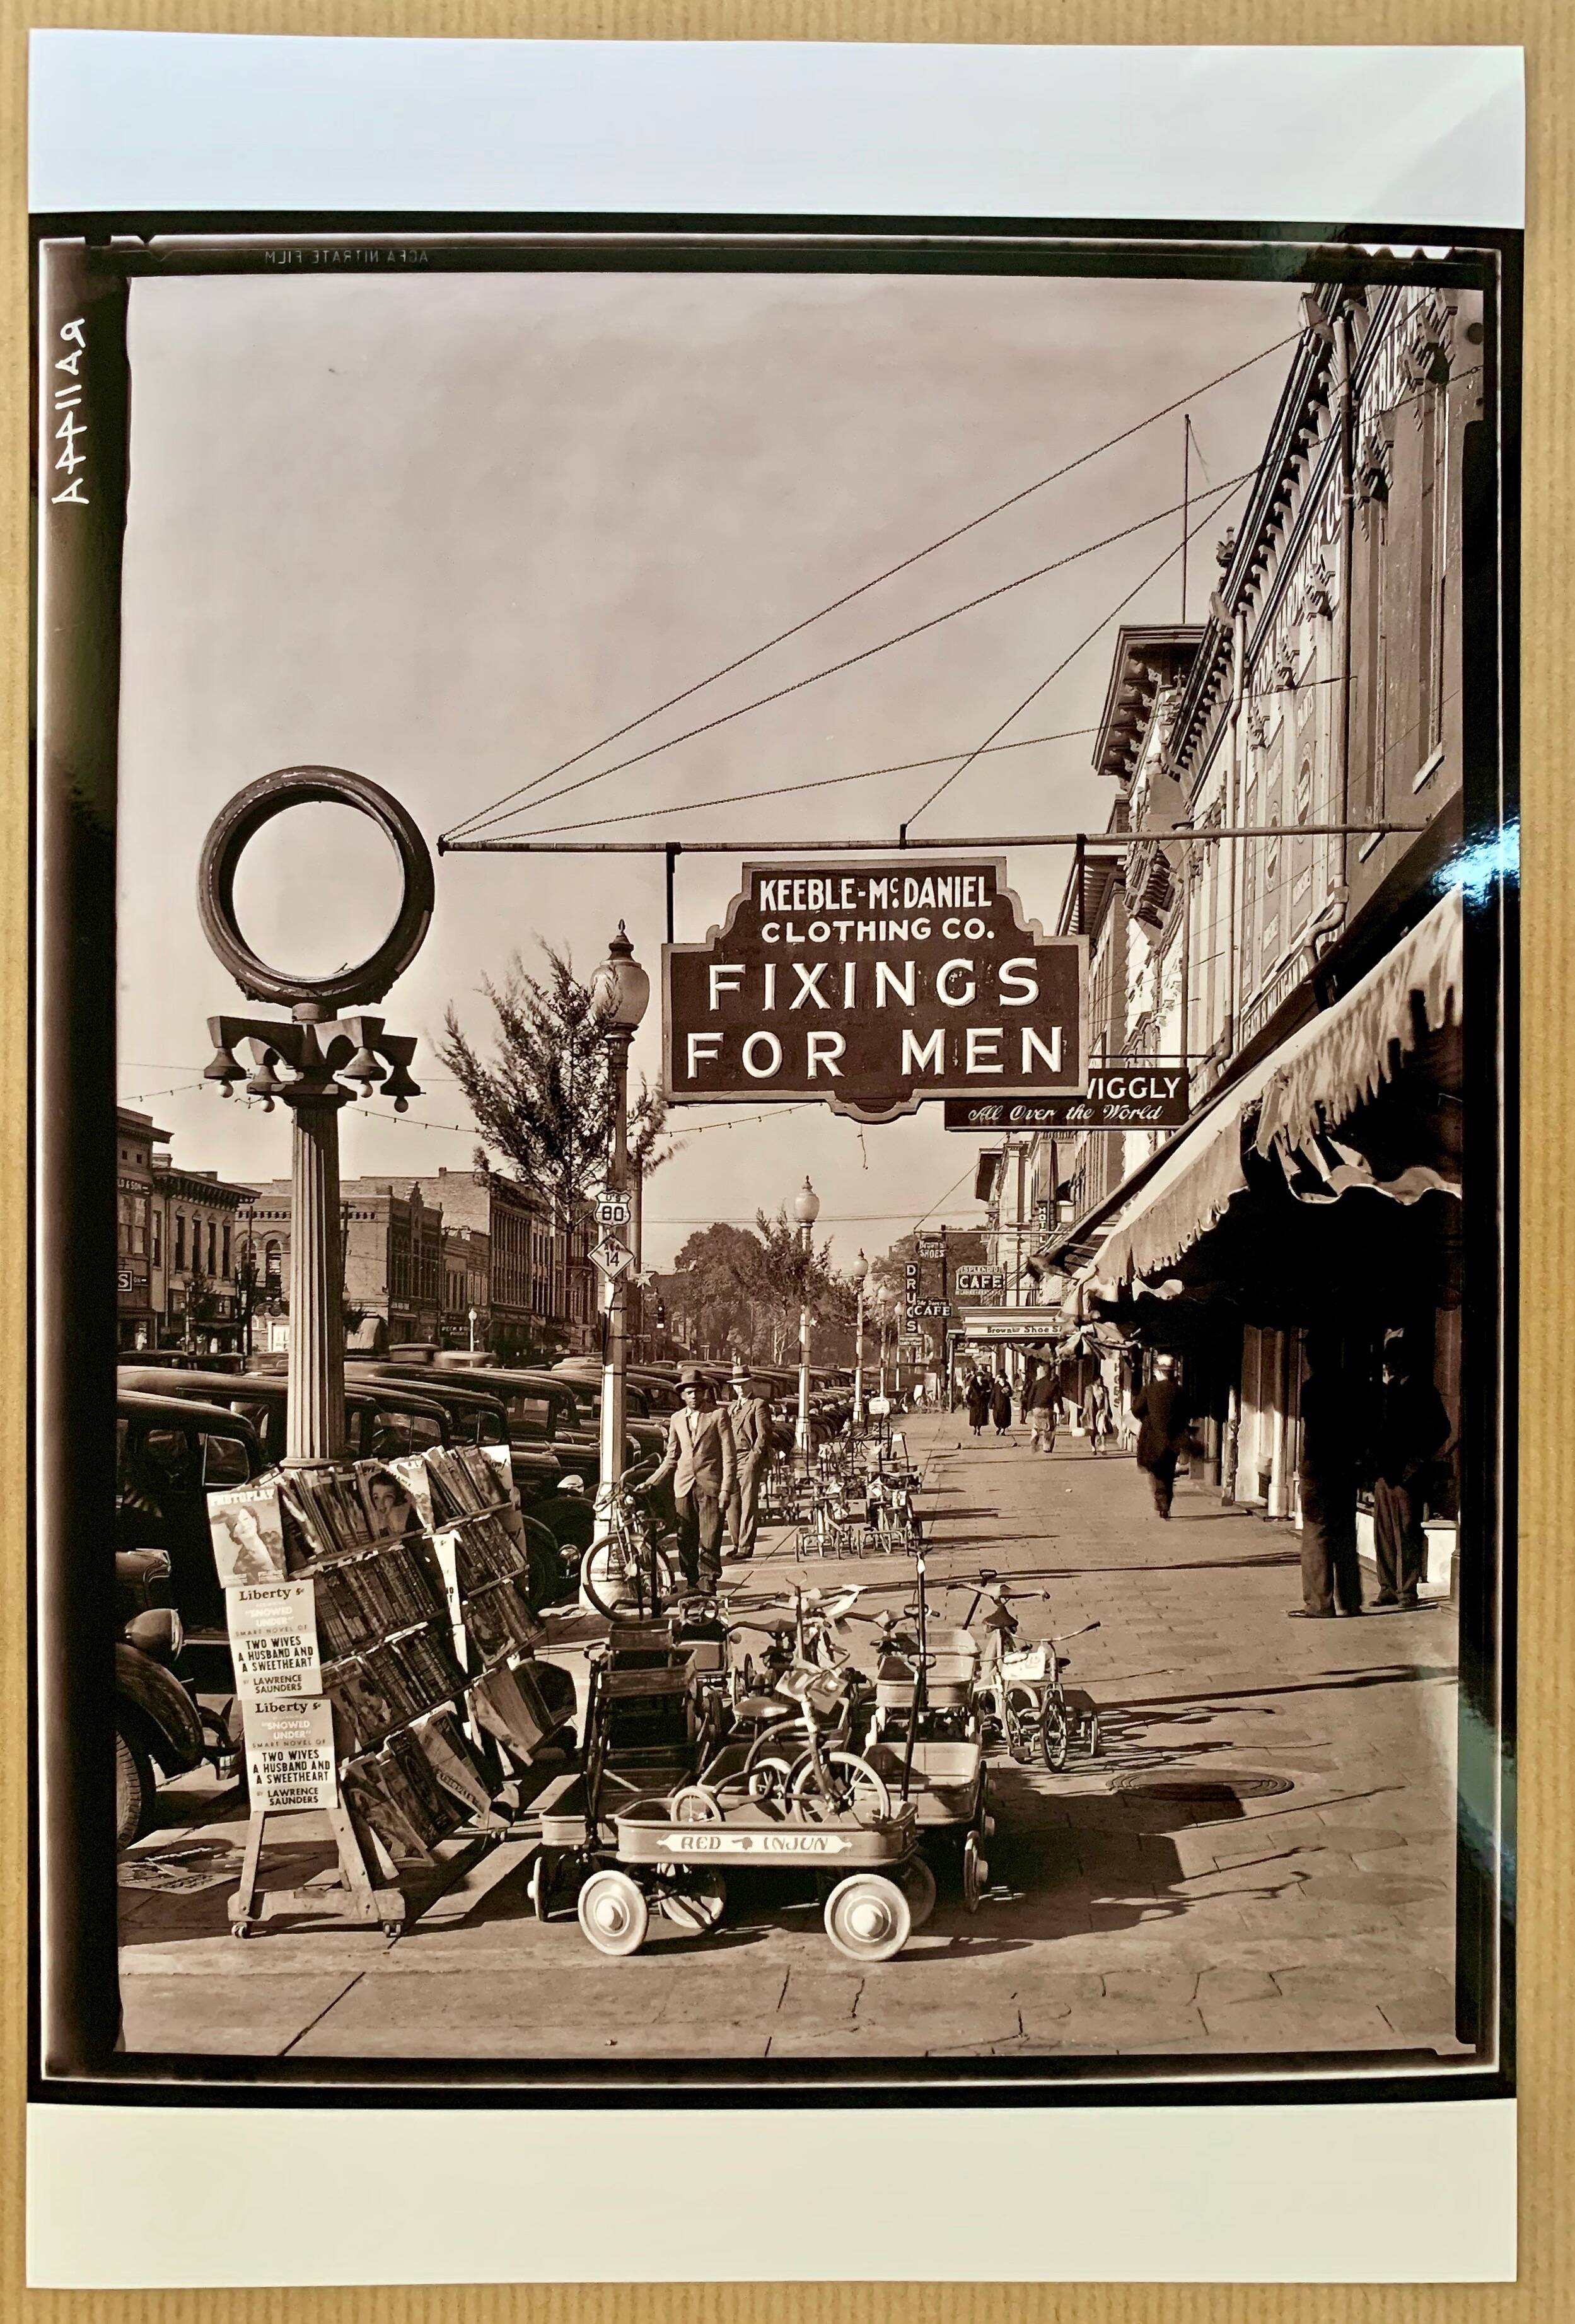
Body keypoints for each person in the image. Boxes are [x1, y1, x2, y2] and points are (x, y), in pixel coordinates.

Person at [1371, 1337, 1452, 1610]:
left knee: (1406, 1532)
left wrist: (1417, 1461)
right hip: (1385, 1473)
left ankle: (1407, 1591)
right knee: (1383, 1532)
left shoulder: (1424, 1391)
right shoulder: (1388, 1390)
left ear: (1405, 1361)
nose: (1389, 1366)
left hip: (1408, 1475)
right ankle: (1387, 1588)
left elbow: (1442, 1428)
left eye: (1393, 1361)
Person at [1291, 1336, 1363, 1619]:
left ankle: (1320, 1603)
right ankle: (1351, 1601)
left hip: (1319, 1471)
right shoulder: (1350, 1387)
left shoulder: (1312, 1389)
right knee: (1345, 1535)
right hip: (1344, 1469)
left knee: (1316, 1535)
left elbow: (1312, 1428)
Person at [648, 1367, 736, 1593]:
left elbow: (729, 1456)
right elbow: (671, 1457)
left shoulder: (718, 1416)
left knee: (710, 1536)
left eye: (697, 1391)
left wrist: (726, 1490)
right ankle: (691, 1581)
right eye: (689, 1392)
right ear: (682, 1395)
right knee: (685, 1538)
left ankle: (709, 1583)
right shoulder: (676, 1419)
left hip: (711, 1486)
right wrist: (651, 1482)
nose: (694, 1396)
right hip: (684, 1486)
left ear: (704, 1393)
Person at [1130, 1352, 1192, 1519]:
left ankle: (1161, 1499)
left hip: (1152, 1440)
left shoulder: (1149, 1390)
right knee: (1168, 1472)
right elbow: (1187, 1412)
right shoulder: (1179, 1392)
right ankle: (1166, 1502)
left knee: (1156, 1472)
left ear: (1158, 1371)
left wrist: (1147, 1418)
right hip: (1172, 1440)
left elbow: (1136, 1410)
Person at [726, 1374, 776, 1561]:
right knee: (732, 1504)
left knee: (748, 1504)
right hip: (732, 1459)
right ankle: (736, 1543)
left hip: (748, 1457)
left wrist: (754, 1458)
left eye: (742, 1384)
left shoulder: (758, 1405)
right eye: (736, 1385)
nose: (739, 1388)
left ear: (751, 1384)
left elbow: (763, 1435)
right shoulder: (732, 1408)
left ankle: (746, 1546)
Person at [1023, 1365, 1059, 1455]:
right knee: (1049, 1428)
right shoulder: (1053, 1385)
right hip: (1047, 1409)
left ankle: (1035, 1435)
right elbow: (1057, 1398)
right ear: (1050, 1373)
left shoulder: (1036, 1383)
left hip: (1037, 1409)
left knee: (1036, 1425)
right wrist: (1061, 1410)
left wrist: (1029, 1408)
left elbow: (1031, 1396)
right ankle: (1046, 1447)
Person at [1083, 1373, 1113, 1456]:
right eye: (1099, 1379)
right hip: (1092, 1412)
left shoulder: (1104, 1390)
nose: (1101, 1381)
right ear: (1095, 1380)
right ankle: (1093, 1447)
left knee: (1102, 1429)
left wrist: (1108, 1411)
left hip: (1102, 1412)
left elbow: (1107, 1401)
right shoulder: (1089, 1389)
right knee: (1093, 1431)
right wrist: (1084, 1413)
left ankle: (1102, 1447)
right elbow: (1087, 1402)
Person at [965, 1372, 990, 1436]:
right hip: (975, 1403)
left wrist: (986, 1397)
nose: (980, 1378)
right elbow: (968, 1394)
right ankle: (975, 1428)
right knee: (975, 1418)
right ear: (977, 1377)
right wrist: (969, 1401)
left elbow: (989, 1393)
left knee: (981, 1418)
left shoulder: (985, 1384)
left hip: (982, 1403)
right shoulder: (973, 1385)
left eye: (981, 1377)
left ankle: (979, 1429)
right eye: (979, 1377)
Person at [990, 1374, 1013, 1438]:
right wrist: (990, 1404)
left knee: (1005, 1417)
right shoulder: (996, 1386)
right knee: (997, 1417)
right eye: (1001, 1378)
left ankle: (1003, 1430)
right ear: (999, 1379)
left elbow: (1011, 1394)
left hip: (1006, 1405)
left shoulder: (1007, 1385)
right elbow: (993, 1395)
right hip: (997, 1405)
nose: (1003, 1379)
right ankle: (999, 1427)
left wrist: (1008, 1393)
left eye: (1004, 1378)